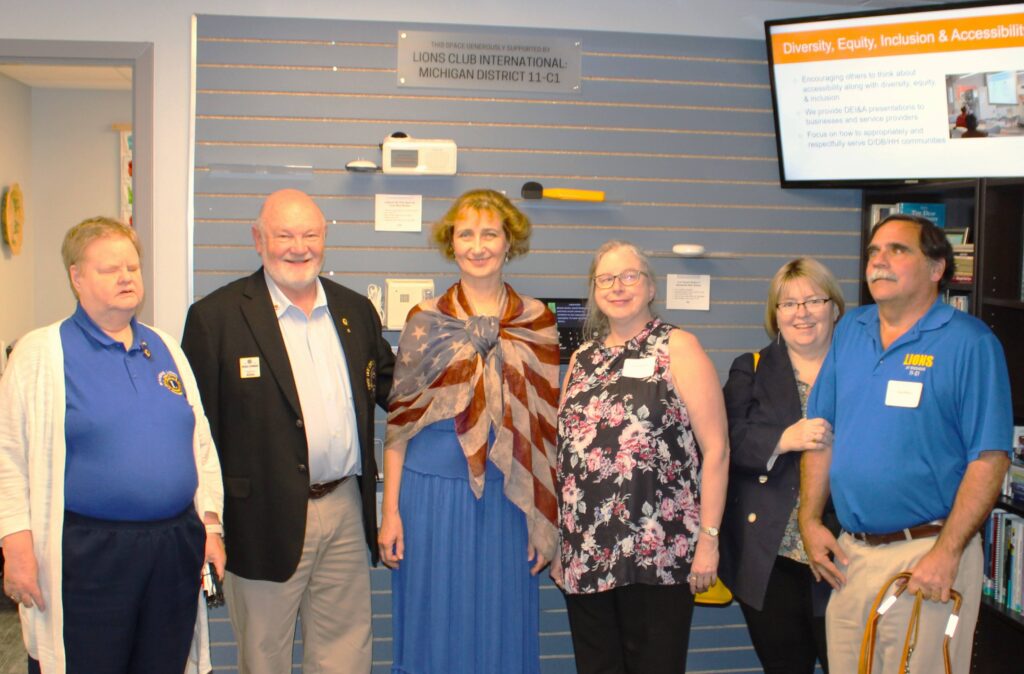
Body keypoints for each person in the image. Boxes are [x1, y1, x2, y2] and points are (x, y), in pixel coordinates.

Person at [181, 189, 394, 674]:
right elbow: (194, 434)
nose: (298, 247)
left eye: (310, 235)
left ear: (324, 239)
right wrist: (208, 522)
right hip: (260, 519)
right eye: (284, 235)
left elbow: (398, 390)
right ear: (258, 239)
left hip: (343, 508)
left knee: (346, 654)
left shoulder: (355, 311)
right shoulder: (215, 319)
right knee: (264, 658)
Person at [0, 216, 225, 674]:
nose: (126, 277)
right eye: (109, 269)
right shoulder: (41, 353)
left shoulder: (165, 348)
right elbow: (9, 456)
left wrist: (211, 524)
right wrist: (16, 545)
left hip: (172, 547)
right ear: (76, 277)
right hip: (88, 552)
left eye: (132, 266)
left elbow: (200, 442)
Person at [800, 214, 1012, 673]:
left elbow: (990, 458)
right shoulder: (851, 330)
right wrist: (810, 520)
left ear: (937, 269)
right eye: (874, 252)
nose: (879, 262)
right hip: (851, 557)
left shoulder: (970, 344)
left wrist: (947, 552)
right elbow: (821, 433)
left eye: (898, 250)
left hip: (927, 557)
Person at [378, 189, 560, 674]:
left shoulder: (537, 322)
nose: (478, 246)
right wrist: (390, 512)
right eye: (466, 234)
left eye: (489, 233)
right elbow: (398, 425)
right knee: (433, 623)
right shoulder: (425, 322)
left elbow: (545, 431)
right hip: (430, 498)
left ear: (508, 242)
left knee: (502, 624)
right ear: (451, 243)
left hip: (508, 499)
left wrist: (542, 515)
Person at [555, 240, 729, 674]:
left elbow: (718, 449)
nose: (618, 287)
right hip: (588, 551)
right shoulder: (581, 359)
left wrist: (709, 539)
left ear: (650, 287)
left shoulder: (679, 346)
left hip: (659, 551)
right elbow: (566, 459)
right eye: (606, 279)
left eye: (629, 276)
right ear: (594, 290)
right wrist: (562, 542)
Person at [719, 258, 844, 674]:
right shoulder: (750, 368)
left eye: (813, 300)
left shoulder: (863, 370)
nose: (802, 313)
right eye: (788, 304)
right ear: (775, 315)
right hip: (771, 556)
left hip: (845, 551)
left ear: (835, 308)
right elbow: (724, 442)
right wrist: (782, 440)